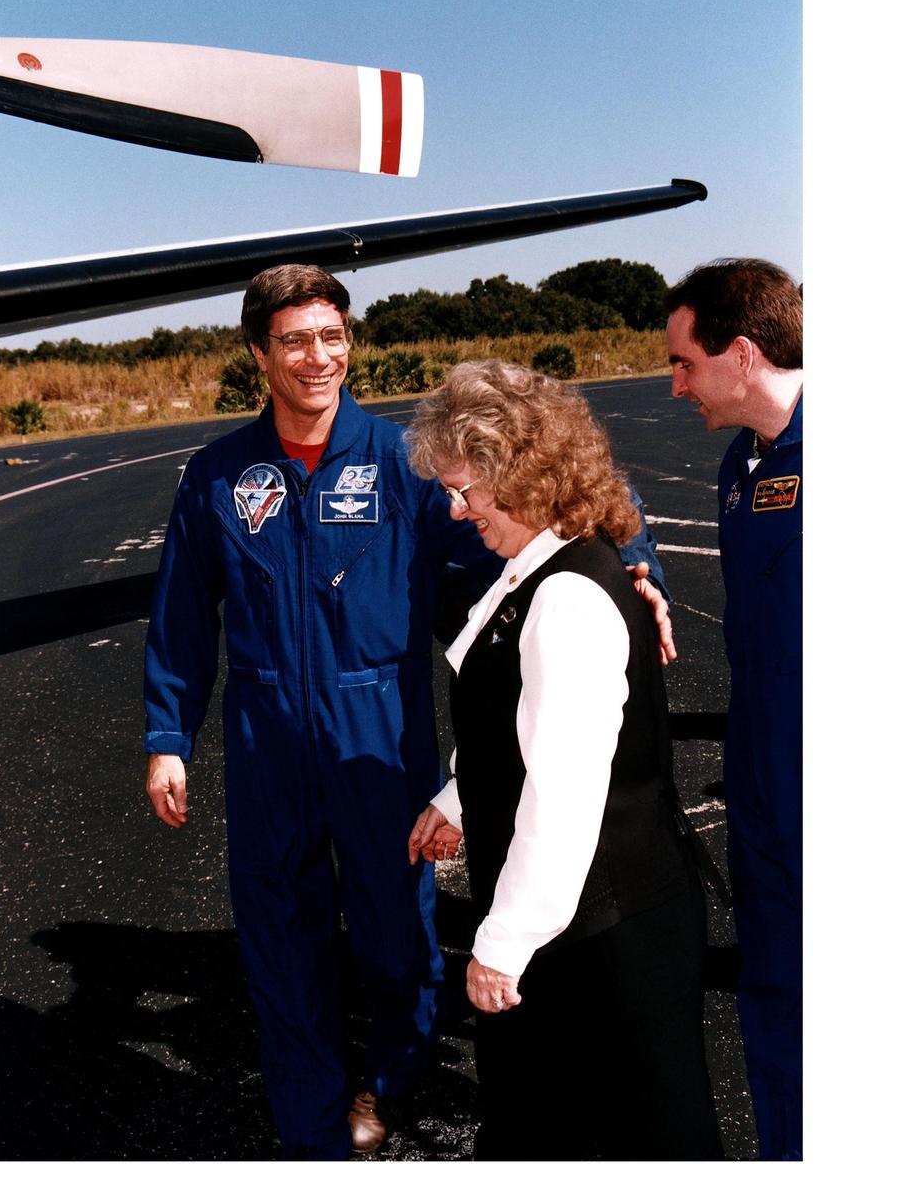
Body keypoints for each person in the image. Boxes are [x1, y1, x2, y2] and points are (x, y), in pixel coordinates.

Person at [143, 264, 673, 1160]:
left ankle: (390, 1080)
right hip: (266, 742)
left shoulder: (402, 464)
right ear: (258, 354)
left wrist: (631, 568)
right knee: (282, 939)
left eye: (334, 336)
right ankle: (312, 1126)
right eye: (297, 341)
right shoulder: (217, 476)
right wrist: (168, 737)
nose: (320, 358)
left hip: (379, 738)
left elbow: (522, 541)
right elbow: (184, 616)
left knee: (397, 941)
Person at [405, 360, 723, 1161]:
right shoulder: (544, 567)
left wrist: (502, 941)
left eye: (464, 489)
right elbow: (521, 724)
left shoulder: (567, 596)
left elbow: (566, 797)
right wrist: (459, 794)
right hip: (596, 920)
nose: (454, 507)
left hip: (605, 937)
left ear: (517, 474)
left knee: (631, 1141)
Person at [665, 258, 802, 1161]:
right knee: (778, 991)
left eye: (684, 363)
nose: (675, 385)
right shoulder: (737, 464)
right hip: (764, 778)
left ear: (742, 352)